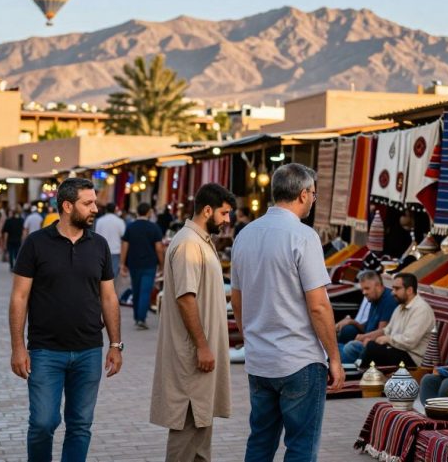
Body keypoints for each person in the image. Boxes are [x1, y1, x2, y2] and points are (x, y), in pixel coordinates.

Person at [230, 163, 344, 462]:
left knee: (260, 441)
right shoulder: (303, 236)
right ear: (303, 194)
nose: (313, 200)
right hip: (299, 358)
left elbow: (237, 299)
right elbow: (318, 305)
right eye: (314, 194)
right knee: (301, 446)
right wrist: (334, 357)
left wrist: (251, 337)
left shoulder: (245, 234)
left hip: (260, 358)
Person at [9, 177, 122, 462]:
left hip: (89, 351)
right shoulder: (35, 243)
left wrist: (115, 344)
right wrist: (18, 347)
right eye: (88, 203)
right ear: (67, 206)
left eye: (94, 202)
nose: (95, 208)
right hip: (45, 351)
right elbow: (19, 297)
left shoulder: (99, 245)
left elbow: (109, 297)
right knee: (42, 423)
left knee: (80, 425)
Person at [151, 183, 236, 462]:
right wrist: (202, 346)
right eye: (224, 213)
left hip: (200, 357)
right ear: (207, 210)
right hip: (192, 357)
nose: (227, 220)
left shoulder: (200, 241)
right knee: (188, 431)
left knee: (200, 430)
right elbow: (186, 299)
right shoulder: (189, 244)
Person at [357, 272, 436, 368]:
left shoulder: (421, 310)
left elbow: (409, 341)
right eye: (393, 288)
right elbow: (387, 330)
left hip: (413, 359)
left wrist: (387, 339)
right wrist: (373, 339)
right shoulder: (400, 307)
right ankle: (359, 371)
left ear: (409, 290)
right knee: (368, 345)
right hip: (398, 350)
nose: (392, 292)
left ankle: (359, 373)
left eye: (397, 289)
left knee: (372, 348)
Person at [120, 203, 164, 330]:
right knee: (145, 291)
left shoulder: (130, 227)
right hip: (149, 264)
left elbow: (125, 245)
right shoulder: (154, 227)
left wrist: (122, 263)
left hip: (133, 263)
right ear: (149, 212)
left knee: (136, 289)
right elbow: (159, 248)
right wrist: (162, 264)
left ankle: (137, 317)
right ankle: (141, 318)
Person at [339, 270, 398, 363]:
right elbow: (367, 328)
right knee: (336, 345)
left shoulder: (389, 300)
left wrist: (364, 337)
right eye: (362, 289)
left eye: (367, 288)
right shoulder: (374, 298)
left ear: (378, 286)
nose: (364, 292)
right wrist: (352, 321)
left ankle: (341, 368)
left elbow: (382, 331)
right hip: (367, 340)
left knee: (348, 348)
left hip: (376, 345)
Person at [95, 203, 129, 304]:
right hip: (115, 251)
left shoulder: (99, 220)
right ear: (115, 210)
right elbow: (123, 238)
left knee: (100, 274)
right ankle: (108, 297)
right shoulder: (120, 221)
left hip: (100, 250)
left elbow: (96, 234)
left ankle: (101, 296)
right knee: (111, 276)